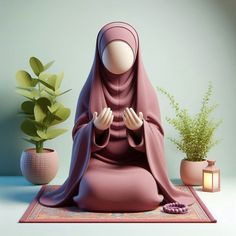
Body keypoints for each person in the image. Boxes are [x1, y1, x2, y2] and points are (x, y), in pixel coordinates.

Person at [39, 21, 195, 212]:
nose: (117, 61)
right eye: (110, 54)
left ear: (135, 55)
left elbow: (157, 134)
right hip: (98, 166)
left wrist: (141, 130)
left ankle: (139, 190)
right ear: (100, 54)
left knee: (143, 190)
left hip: (135, 165)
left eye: (124, 54)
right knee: (91, 190)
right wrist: (95, 129)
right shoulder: (89, 91)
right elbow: (78, 134)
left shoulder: (146, 92)